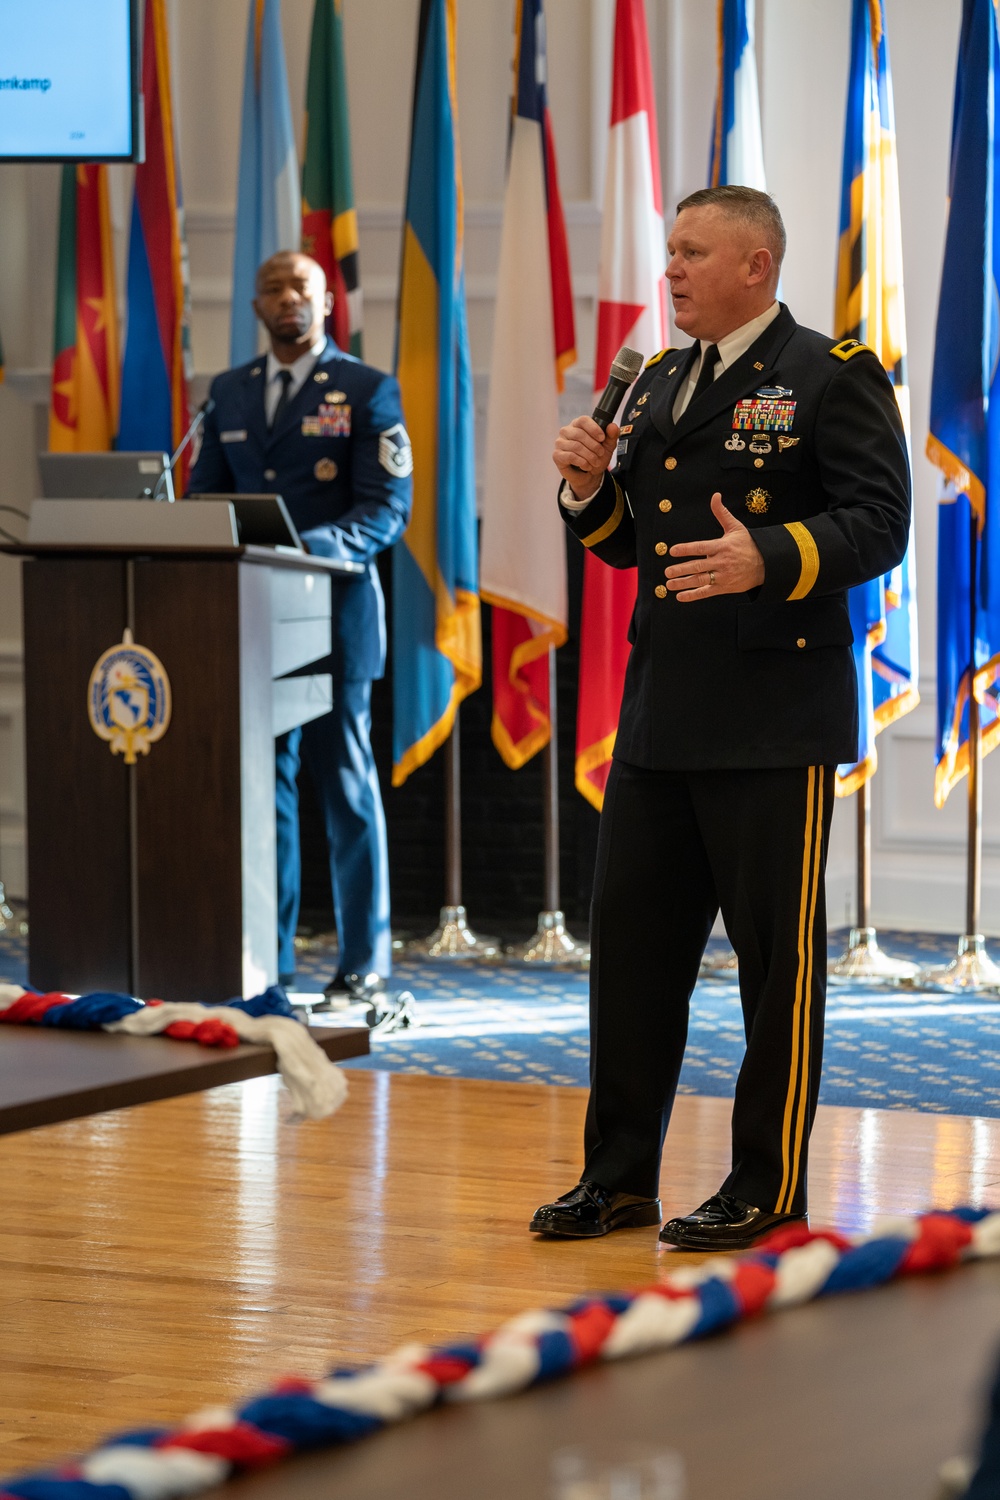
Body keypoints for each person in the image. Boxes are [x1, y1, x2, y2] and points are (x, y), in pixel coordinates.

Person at [531, 185, 910, 1251]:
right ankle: (616, 1181)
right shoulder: (655, 378)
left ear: (756, 265)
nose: (673, 269)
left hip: (770, 716)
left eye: (694, 252)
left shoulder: (829, 373)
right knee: (632, 959)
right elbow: (628, 544)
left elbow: (879, 524)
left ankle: (765, 1184)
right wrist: (585, 491)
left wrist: (770, 556)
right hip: (660, 712)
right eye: (671, 251)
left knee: (771, 970)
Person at [189, 250, 412, 999]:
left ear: (327, 303)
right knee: (266, 790)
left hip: (336, 616)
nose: (288, 298)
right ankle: (267, 959)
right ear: (256, 306)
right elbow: (203, 504)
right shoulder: (227, 394)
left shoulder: (366, 389)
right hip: (253, 621)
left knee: (346, 785)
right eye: (274, 288)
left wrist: (305, 550)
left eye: (302, 287)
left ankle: (365, 964)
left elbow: (386, 509)